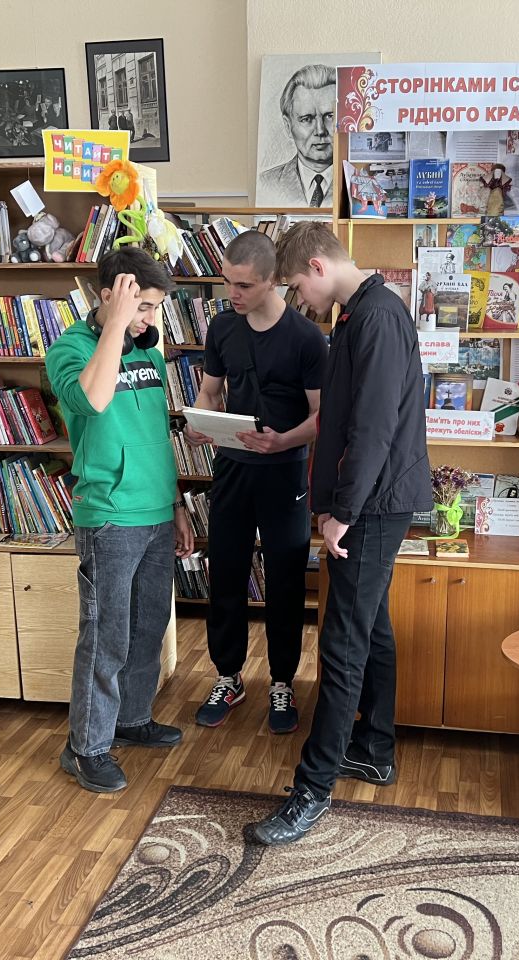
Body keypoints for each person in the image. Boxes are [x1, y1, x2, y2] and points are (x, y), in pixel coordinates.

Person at [252, 223, 431, 845]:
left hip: (372, 508)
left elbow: (374, 429)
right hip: (370, 503)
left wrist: (343, 512)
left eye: (297, 286)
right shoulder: (360, 314)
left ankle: (313, 788)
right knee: (371, 627)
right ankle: (374, 749)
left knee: (342, 642)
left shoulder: (376, 318)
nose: (299, 299)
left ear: (318, 266)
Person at [45, 247, 195, 793]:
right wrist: (115, 324)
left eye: (154, 308)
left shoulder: (147, 351)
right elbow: (93, 400)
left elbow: (155, 434)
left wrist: (175, 505)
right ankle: (85, 748)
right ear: (108, 295)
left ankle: (131, 718)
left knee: (148, 626)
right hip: (109, 514)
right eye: (141, 306)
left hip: (155, 509)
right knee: (106, 635)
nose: (148, 319)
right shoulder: (70, 350)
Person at [183, 232, 327, 735]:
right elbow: (210, 392)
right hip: (231, 468)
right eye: (227, 282)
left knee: (285, 581)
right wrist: (201, 422)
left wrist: (283, 441)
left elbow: (321, 415)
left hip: (285, 471)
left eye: (243, 285)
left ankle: (282, 681)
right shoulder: (222, 327)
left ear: (273, 281)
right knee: (225, 574)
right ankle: (228, 677)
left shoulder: (306, 338)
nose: (232, 294)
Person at [257, 64, 336, 208]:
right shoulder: (266, 184)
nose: (320, 130)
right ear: (288, 126)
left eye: (330, 116)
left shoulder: (361, 183)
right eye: (306, 119)